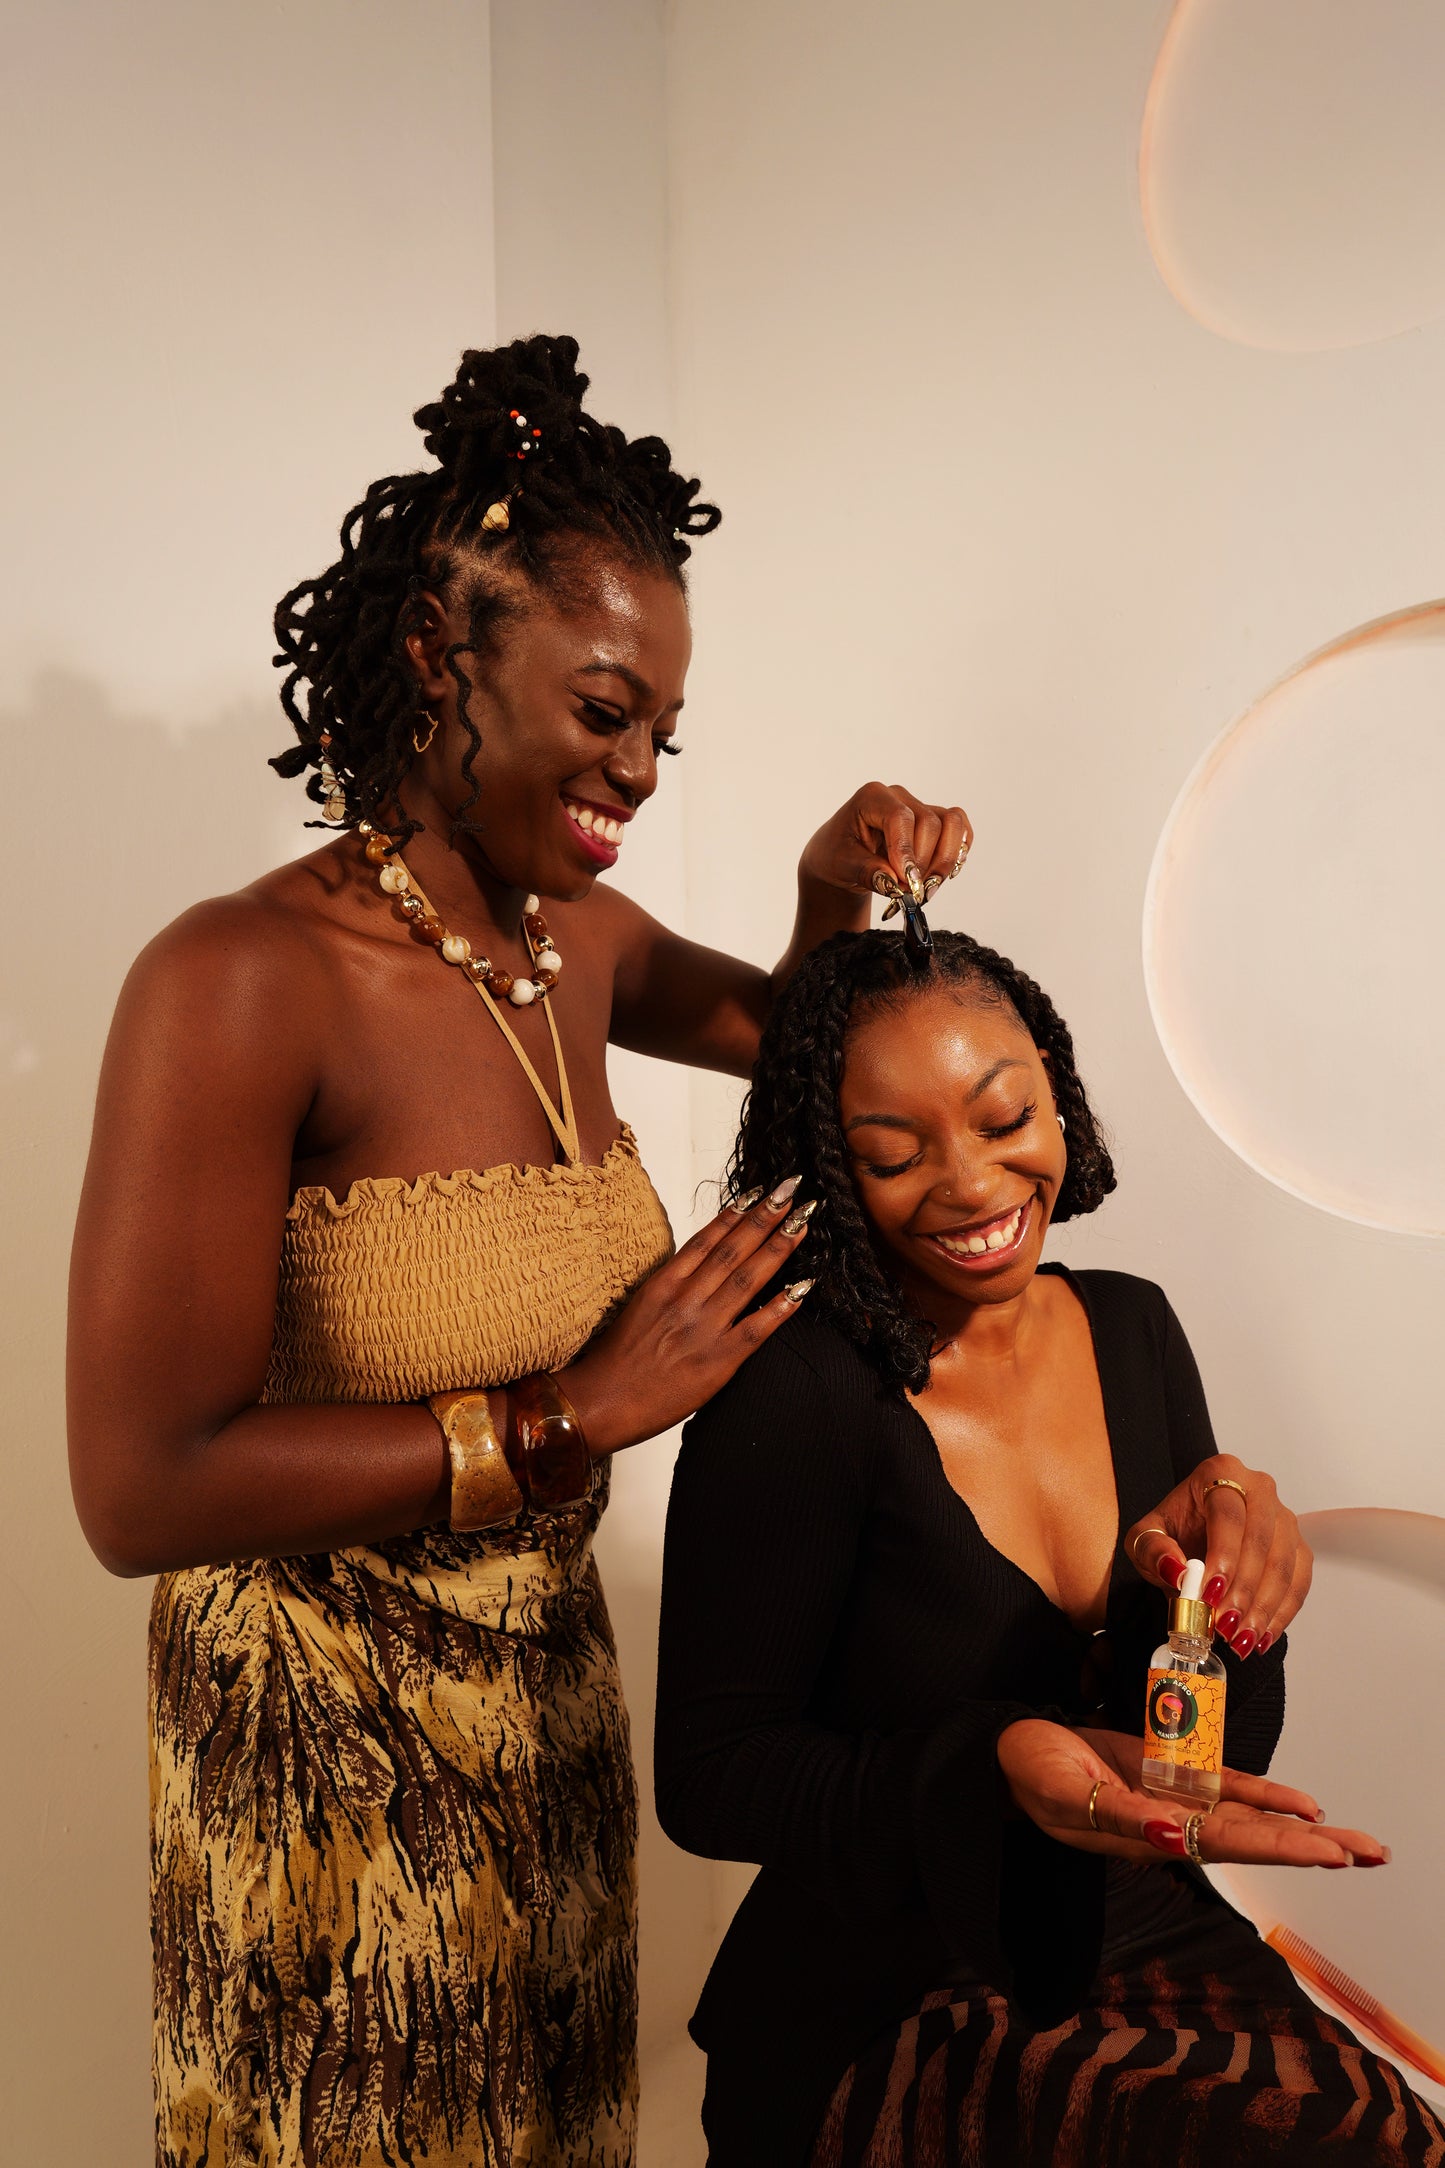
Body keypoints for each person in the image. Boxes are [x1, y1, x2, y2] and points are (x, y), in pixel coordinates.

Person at [65, 334, 969, 2168]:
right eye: (605, 710)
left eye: (662, 735)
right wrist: (569, 1414)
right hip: (314, 1761)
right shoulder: (240, 981)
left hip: (549, 1722)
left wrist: (823, 892)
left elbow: (807, 1041)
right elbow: (136, 1487)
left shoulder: (583, 938)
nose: (635, 771)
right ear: (435, 657)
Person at [655, 925, 1443, 2166]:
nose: (970, 1184)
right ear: (831, 1167)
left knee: (1379, 2133)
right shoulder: (795, 1399)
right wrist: (990, 1765)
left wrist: (1214, 1600)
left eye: (1002, 1114)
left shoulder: (1131, 1327)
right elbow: (709, 1775)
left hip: (1148, 1932)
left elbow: (1205, 1759)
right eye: (892, 1153)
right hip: (888, 1984)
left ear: (1055, 1094)